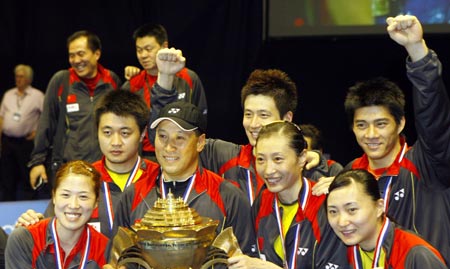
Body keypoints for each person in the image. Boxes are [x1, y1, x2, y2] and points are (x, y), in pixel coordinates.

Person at [313, 15, 450, 267]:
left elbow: (434, 116)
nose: (371, 135)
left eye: (381, 124)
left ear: (400, 124)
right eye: (362, 125)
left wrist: (417, 50)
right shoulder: (351, 173)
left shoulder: (427, 163)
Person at [101, 102, 256, 269]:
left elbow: (248, 266)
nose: (169, 146)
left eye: (180, 138)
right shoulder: (132, 196)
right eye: (162, 136)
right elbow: (121, 263)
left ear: (200, 143)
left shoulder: (229, 197)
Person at [151, 62, 331, 203]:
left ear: (287, 118)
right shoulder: (221, 154)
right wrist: (166, 81)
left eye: (263, 115)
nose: (254, 124)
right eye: (248, 114)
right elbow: (170, 136)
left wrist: (318, 162)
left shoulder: (307, 167)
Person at [228, 121, 347, 269]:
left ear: (301, 158)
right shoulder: (263, 201)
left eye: (278, 159)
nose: (268, 170)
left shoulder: (327, 208)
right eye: (261, 159)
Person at [16, 89, 160, 239]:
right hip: (91, 263)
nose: (115, 142)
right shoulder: (79, 179)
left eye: (125, 133)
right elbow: (51, 233)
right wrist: (35, 225)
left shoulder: (158, 178)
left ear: (142, 134)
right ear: (97, 132)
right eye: (107, 132)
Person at [5, 160, 131, 269]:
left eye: (83, 197)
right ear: (53, 196)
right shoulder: (24, 240)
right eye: (65, 195)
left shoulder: (106, 249)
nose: (73, 205)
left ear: (96, 202)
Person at [326, 169, 450, 269]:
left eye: (352, 210)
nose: (342, 222)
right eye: (333, 212)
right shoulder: (340, 250)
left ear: (379, 207)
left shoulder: (416, 255)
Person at [28, 30, 122, 191]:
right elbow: (46, 123)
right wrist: (37, 162)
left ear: (96, 54)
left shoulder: (112, 81)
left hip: (107, 171)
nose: (76, 60)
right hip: (69, 170)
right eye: (72, 55)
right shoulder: (61, 81)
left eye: (81, 54)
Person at [123, 23, 207, 159]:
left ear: (164, 46)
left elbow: (201, 118)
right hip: (144, 157)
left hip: (180, 153)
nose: (143, 55)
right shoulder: (131, 84)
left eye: (148, 49)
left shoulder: (188, 78)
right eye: (139, 50)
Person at [0, 64, 44, 200]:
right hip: (8, 141)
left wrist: (38, 132)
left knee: (27, 177)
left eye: (21, 76)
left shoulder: (37, 95)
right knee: (7, 178)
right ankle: (6, 208)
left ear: (29, 79)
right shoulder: (8, 94)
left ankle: (29, 207)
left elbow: (47, 116)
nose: (18, 79)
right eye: (16, 76)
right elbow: (1, 117)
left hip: (26, 143)